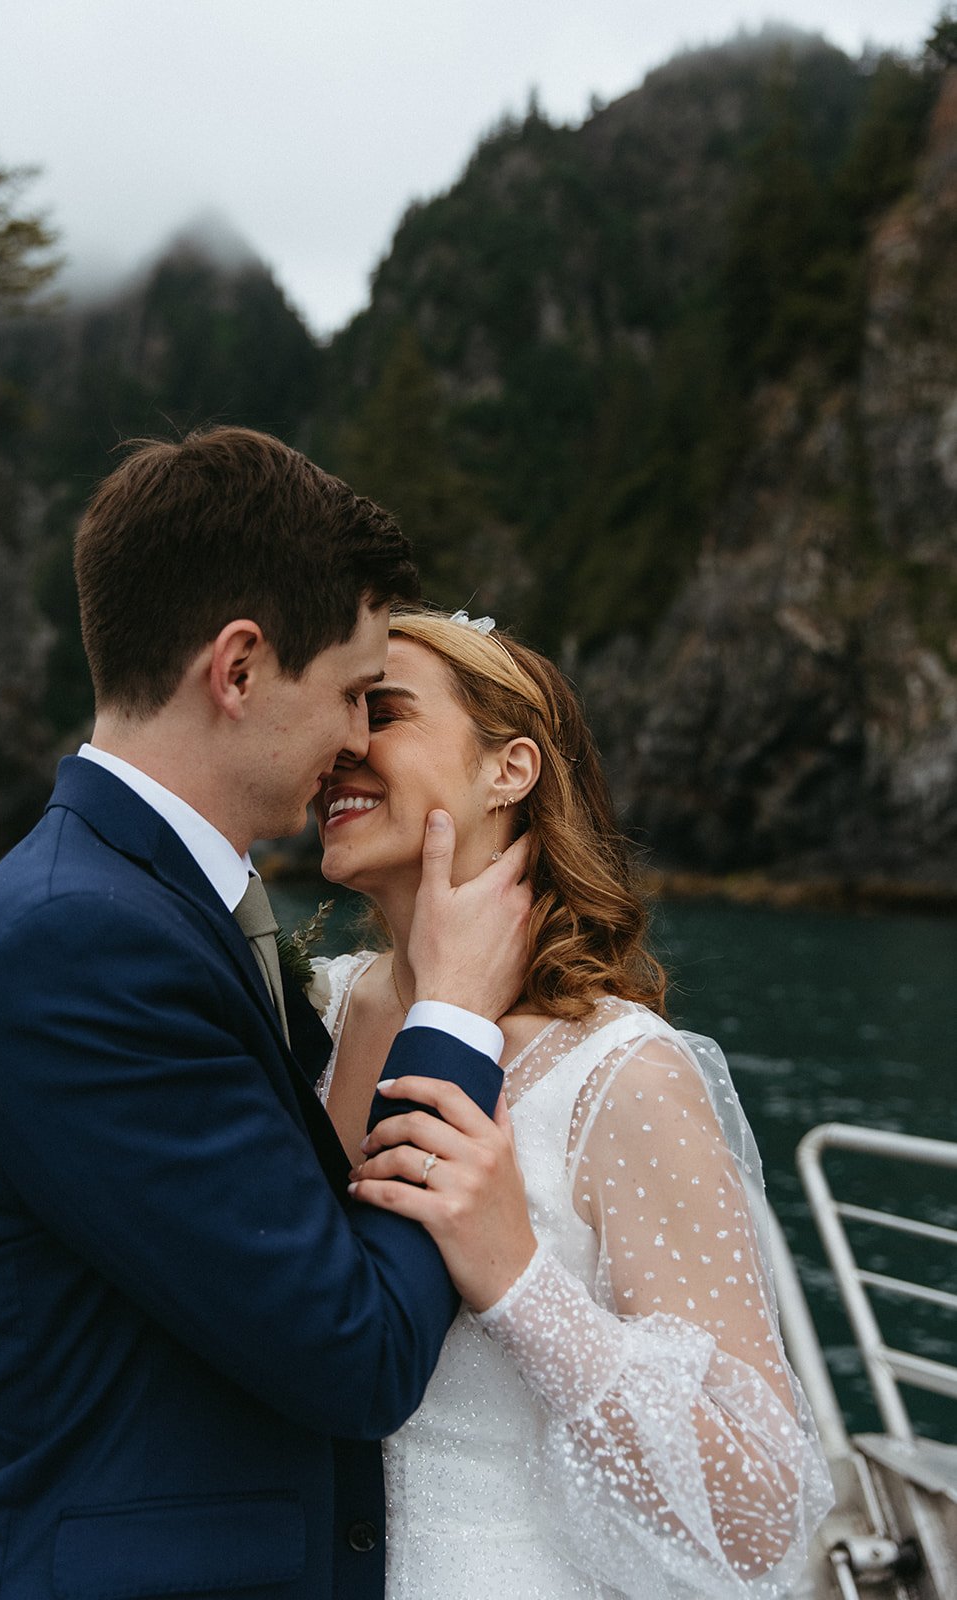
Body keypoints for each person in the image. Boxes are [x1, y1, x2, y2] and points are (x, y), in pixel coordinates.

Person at [0, 433, 535, 1599]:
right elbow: (356, 1353)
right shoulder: (78, 942)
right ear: (237, 670)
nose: (355, 739)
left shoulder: (155, 903)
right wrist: (450, 1014)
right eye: (350, 692)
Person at [311, 608, 834, 1600]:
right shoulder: (316, 1016)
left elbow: (764, 1515)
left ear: (508, 770)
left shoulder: (621, 1073)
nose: (343, 743)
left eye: (383, 711)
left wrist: (516, 1276)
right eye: (342, 709)